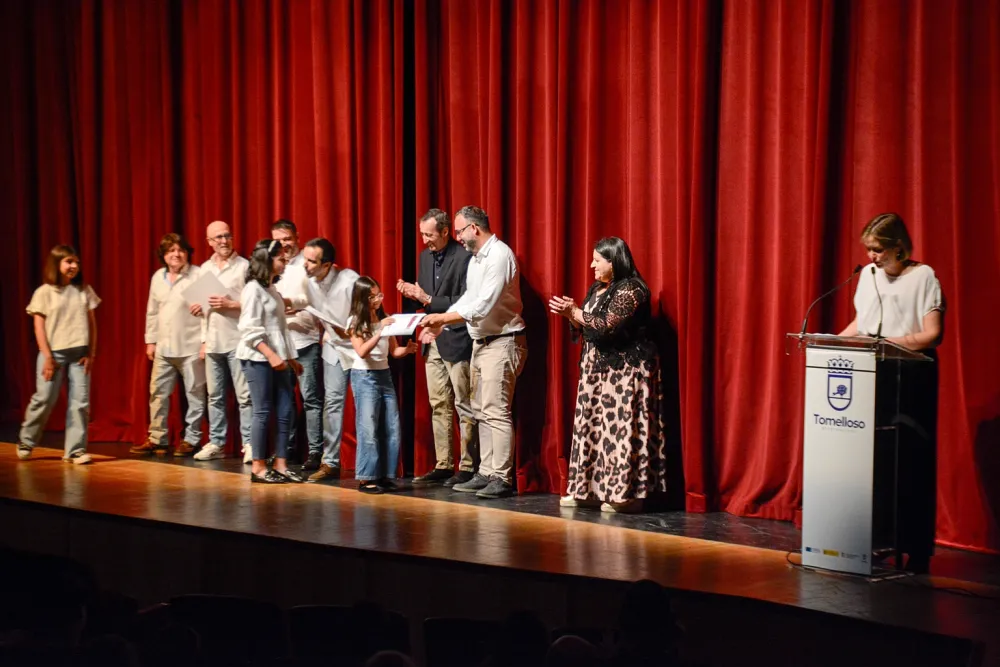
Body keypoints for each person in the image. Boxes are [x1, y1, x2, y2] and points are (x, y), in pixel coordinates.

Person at [838, 212, 944, 573]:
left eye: (878, 250)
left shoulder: (924, 276)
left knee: (910, 462)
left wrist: (886, 342)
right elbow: (861, 324)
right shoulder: (867, 277)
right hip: (874, 372)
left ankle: (915, 547)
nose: (872, 257)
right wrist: (832, 344)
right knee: (876, 462)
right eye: (868, 249)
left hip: (912, 376)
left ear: (899, 247)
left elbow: (932, 334)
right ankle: (880, 539)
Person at [549, 237, 668, 513]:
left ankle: (625, 494)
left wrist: (575, 312)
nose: (591, 265)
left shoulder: (632, 290)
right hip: (596, 371)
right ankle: (589, 489)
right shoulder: (597, 289)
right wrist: (572, 316)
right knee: (592, 429)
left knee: (622, 431)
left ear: (614, 262)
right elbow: (586, 328)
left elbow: (606, 326)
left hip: (626, 372)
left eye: (597, 260)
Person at [420, 206, 527, 499]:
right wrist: (443, 323)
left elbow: (484, 306)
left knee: (496, 411)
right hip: (481, 342)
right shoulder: (477, 260)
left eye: (458, 230)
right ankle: (486, 471)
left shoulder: (499, 256)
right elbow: (469, 299)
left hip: (502, 341)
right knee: (480, 410)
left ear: (474, 229)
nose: (457, 236)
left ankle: (501, 477)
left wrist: (442, 318)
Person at [396, 208, 477, 487]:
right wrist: (416, 302)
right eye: (421, 234)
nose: (424, 240)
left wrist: (426, 297)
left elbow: (467, 301)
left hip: (458, 338)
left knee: (464, 405)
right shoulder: (424, 257)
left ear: (445, 232)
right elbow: (426, 302)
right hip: (433, 341)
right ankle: (444, 463)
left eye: (429, 235)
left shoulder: (466, 256)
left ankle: (468, 466)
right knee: (438, 404)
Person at [17, 245, 100, 464]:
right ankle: (27, 440)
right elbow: (39, 328)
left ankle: (75, 450)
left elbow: (92, 324)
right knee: (44, 398)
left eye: (76, 262)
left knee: (80, 403)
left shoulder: (83, 289)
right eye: (69, 262)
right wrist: (47, 357)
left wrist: (91, 353)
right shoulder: (44, 292)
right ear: (57, 264)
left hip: (79, 355)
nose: (74, 266)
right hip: (53, 354)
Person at [132, 233, 206, 456]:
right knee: (158, 393)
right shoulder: (158, 277)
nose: (176, 254)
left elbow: (210, 311)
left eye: (180, 250)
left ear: (187, 253)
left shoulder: (198, 274)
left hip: (191, 346)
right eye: (171, 250)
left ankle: (191, 439)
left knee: (195, 394)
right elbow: (152, 312)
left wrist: (205, 342)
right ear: (163, 256)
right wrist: (150, 341)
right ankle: (158, 438)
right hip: (164, 347)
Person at [237, 239, 305, 483]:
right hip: (258, 358)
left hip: (279, 359)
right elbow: (249, 328)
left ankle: (281, 464)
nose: (284, 261)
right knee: (263, 411)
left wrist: (290, 358)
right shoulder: (253, 289)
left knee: (286, 409)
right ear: (266, 260)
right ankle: (258, 467)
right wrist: (270, 354)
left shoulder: (271, 288)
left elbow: (280, 328)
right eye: (279, 258)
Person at [348, 277, 418, 493]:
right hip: (364, 376)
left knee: (391, 425)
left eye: (379, 295)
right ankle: (366, 477)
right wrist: (379, 330)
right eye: (372, 296)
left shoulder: (384, 317)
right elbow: (361, 351)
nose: (378, 300)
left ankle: (386, 475)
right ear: (362, 298)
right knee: (368, 427)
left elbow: (393, 351)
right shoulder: (354, 321)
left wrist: (406, 350)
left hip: (384, 375)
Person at [191, 220, 252, 462]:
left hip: (238, 340)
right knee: (214, 396)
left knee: (244, 396)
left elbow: (256, 303)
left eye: (227, 236)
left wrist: (231, 304)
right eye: (218, 237)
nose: (224, 241)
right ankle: (216, 441)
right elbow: (203, 311)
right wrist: (203, 338)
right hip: (214, 342)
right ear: (209, 242)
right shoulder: (204, 269)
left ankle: (249, 443)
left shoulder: (244, 267)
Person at [301, 237, 359, 481]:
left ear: (327, 265)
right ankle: (330, 462)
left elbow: (368, 310)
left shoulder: (350, 280)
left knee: (364, 404)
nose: (305, 265)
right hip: (334, 348)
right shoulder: (309, 282)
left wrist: (352, 328)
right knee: (332, 403)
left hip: (359, 347)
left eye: (311, 261)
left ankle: (371, 466)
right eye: (304, 259)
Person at [271, 219, 322, 463]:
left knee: (311, 398)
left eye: (287, 239)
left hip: (306, 340)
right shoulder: (274, 267)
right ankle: (286, 449)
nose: (284, 244)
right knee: (284, 398)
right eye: (279, 240)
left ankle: (315, 451)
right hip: (281, 343)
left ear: (297, 237)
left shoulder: (307, 265)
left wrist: (292, 306)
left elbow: (316, 299)